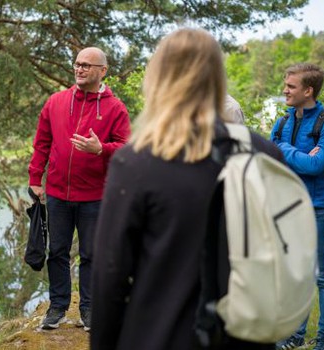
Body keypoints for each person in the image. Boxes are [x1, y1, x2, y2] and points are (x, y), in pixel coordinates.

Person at [90, 28, 283, 350]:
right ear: (216, 77)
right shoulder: (265, 155)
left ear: (158, 79)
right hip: (247, 335)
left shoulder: (138, 162)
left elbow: (110, 273)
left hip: (159, 334)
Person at [28, 47, 131, 331]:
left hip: (96, 196)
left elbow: (125, 148)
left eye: (87, 65)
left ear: (102, 71)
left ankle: (89, 309)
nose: (80, 69)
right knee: (57, 252)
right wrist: (36, 177)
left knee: (92, 255)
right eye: (77, 64)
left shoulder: (115, 108)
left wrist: (102, 149)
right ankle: (58, 307)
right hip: (58, 193)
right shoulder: (56, 102)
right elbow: (42, 143)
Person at [270, 63, 324, 350]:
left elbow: (314, 165)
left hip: (319, 209)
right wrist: (294, 154)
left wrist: (286, 150)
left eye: (291, 86)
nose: (285, 90)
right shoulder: (283, 121)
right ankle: (293, 335)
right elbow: (271, 156)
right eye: (285, 85)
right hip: (289, 207)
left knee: (323, 275)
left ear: (308, 90)